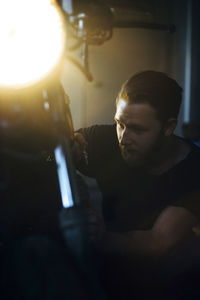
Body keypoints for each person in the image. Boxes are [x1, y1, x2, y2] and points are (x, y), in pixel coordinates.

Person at [72, 70, 200, 299]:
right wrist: (58, 153)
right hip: (108, 275)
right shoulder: (106, 140)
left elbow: (157, 243)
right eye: (120, 124)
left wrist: (95, 237)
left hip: (165, 284)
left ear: (169, 127)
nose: (123, 138)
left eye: (138, 130)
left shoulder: (193, 171)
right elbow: (50, 158)